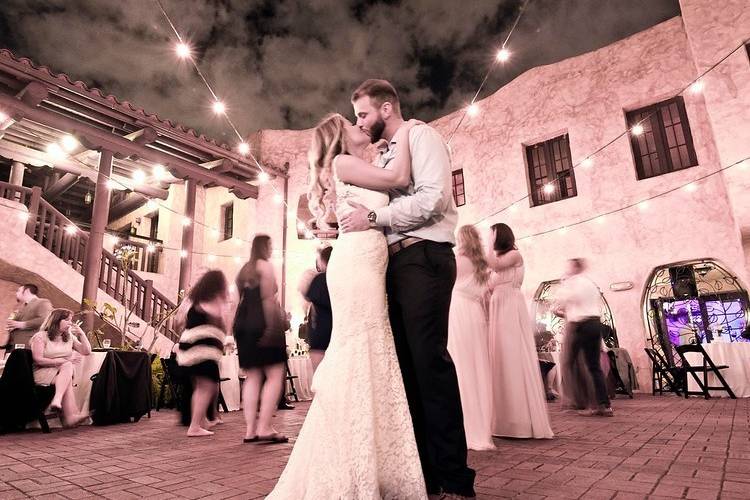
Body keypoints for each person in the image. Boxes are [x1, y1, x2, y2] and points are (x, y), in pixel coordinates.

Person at [267, 111, 427, 498]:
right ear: (341, 137)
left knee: (369, 351)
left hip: (364, 261)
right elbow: (398, 180)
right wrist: (407, 132)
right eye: (353, 124)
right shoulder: (343, 162)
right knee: (361, 350)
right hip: (357, 265)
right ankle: (350, 462)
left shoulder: (356, 163)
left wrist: (387, 148)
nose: (361, 127)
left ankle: (368, 460)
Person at [340, 79, 475, 498]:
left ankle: (455, 480)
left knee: (429, 367)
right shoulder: (386, 154)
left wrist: (376, 220)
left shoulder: (422, 135)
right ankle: (427, 477)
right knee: (407, 373)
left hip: (425, 258)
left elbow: (435, 198)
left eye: (363, 114)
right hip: (395, 265)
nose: (360, 123)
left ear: (385, 108)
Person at [486, 223, 553, 439]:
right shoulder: (498, 261)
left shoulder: (515, 254)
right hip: (497, 306)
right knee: (500, 359)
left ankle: (520, 421)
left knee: (512, 356)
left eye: (492, 235)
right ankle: (504, 420)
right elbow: (488, 282)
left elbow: (495, 265)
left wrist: (486, 246)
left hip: (509, 307)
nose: (489, 238)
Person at [234, 235, 290, 444]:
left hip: (242, 324)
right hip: (262, 323)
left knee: (252, 377)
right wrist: (271, 329)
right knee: (275, 374)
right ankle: (265, 427)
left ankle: (250, 430)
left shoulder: (243, 270)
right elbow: (267, 299)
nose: (272, 249)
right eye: (271, 245)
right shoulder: (265, 266)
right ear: (265, 247)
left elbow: (236, 301)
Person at [448, 225, 495, 451]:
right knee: (477, 368)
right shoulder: (483, 264)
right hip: (475, 315)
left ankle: (464, 427)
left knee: (459, 366)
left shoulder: (456, 261)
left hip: (457, 312)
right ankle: (480, 427)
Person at [553, 258, 614, 417]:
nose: (567, 269)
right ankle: (604, 405)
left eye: (570, 266)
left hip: (580, 325)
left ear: (575, 267)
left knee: (569, 363)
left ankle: (579, 402)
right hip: (594, 322)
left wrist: (562, 288)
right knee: (594, 366)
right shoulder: (590, 283)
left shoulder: (572, 283)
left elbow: (562, 300)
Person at [176, 270, 231, 437]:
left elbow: (179, 321)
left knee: (204, 386)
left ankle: (202, 421)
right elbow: (219, 318)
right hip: (203, 350)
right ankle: (194, 426)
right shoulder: (213, 301)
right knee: (206, 387)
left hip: (190, 348)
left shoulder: (195, 300)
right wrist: (225, 305)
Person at [29, 308, 91, 427]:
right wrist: (62, 361)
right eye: (67, 320)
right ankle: (69, 416)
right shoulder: (41, 337)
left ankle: (62, 406)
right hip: (42, 372)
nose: (70, 323)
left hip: (62, 373)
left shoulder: (69, 337)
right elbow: (38, 359)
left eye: (71, 320)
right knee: (67, 368)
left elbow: (86, 351)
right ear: (56, 321)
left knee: (66, 372)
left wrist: (81, 334)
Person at [304, 245, 333, 371]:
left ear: (323, 261)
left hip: (319, 334)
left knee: (319, 376)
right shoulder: (341, 278)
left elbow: (308, 299)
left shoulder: (320, 279)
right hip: (336, 333)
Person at [3, 284, 53, 352]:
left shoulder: (43, 302)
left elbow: (45, 319)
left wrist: (21, 324)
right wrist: (12, 326)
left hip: (27, 345)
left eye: (18, 291)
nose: (16, 293)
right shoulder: (22, 307)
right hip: (12, 345)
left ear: (26, 291)